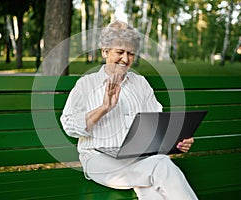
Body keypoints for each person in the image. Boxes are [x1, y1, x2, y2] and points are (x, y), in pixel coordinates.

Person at [60, 20, 197, 200]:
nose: (125, 59)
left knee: (152, 192)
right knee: (161, 165)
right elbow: (69, 126)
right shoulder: (86, 84)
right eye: (120, 52)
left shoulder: (140, 83)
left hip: (140, 159)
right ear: (104, 51)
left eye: (131, 53)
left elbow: (157, 122)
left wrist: (177, 140)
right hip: (99, 160)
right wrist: (104, 108)